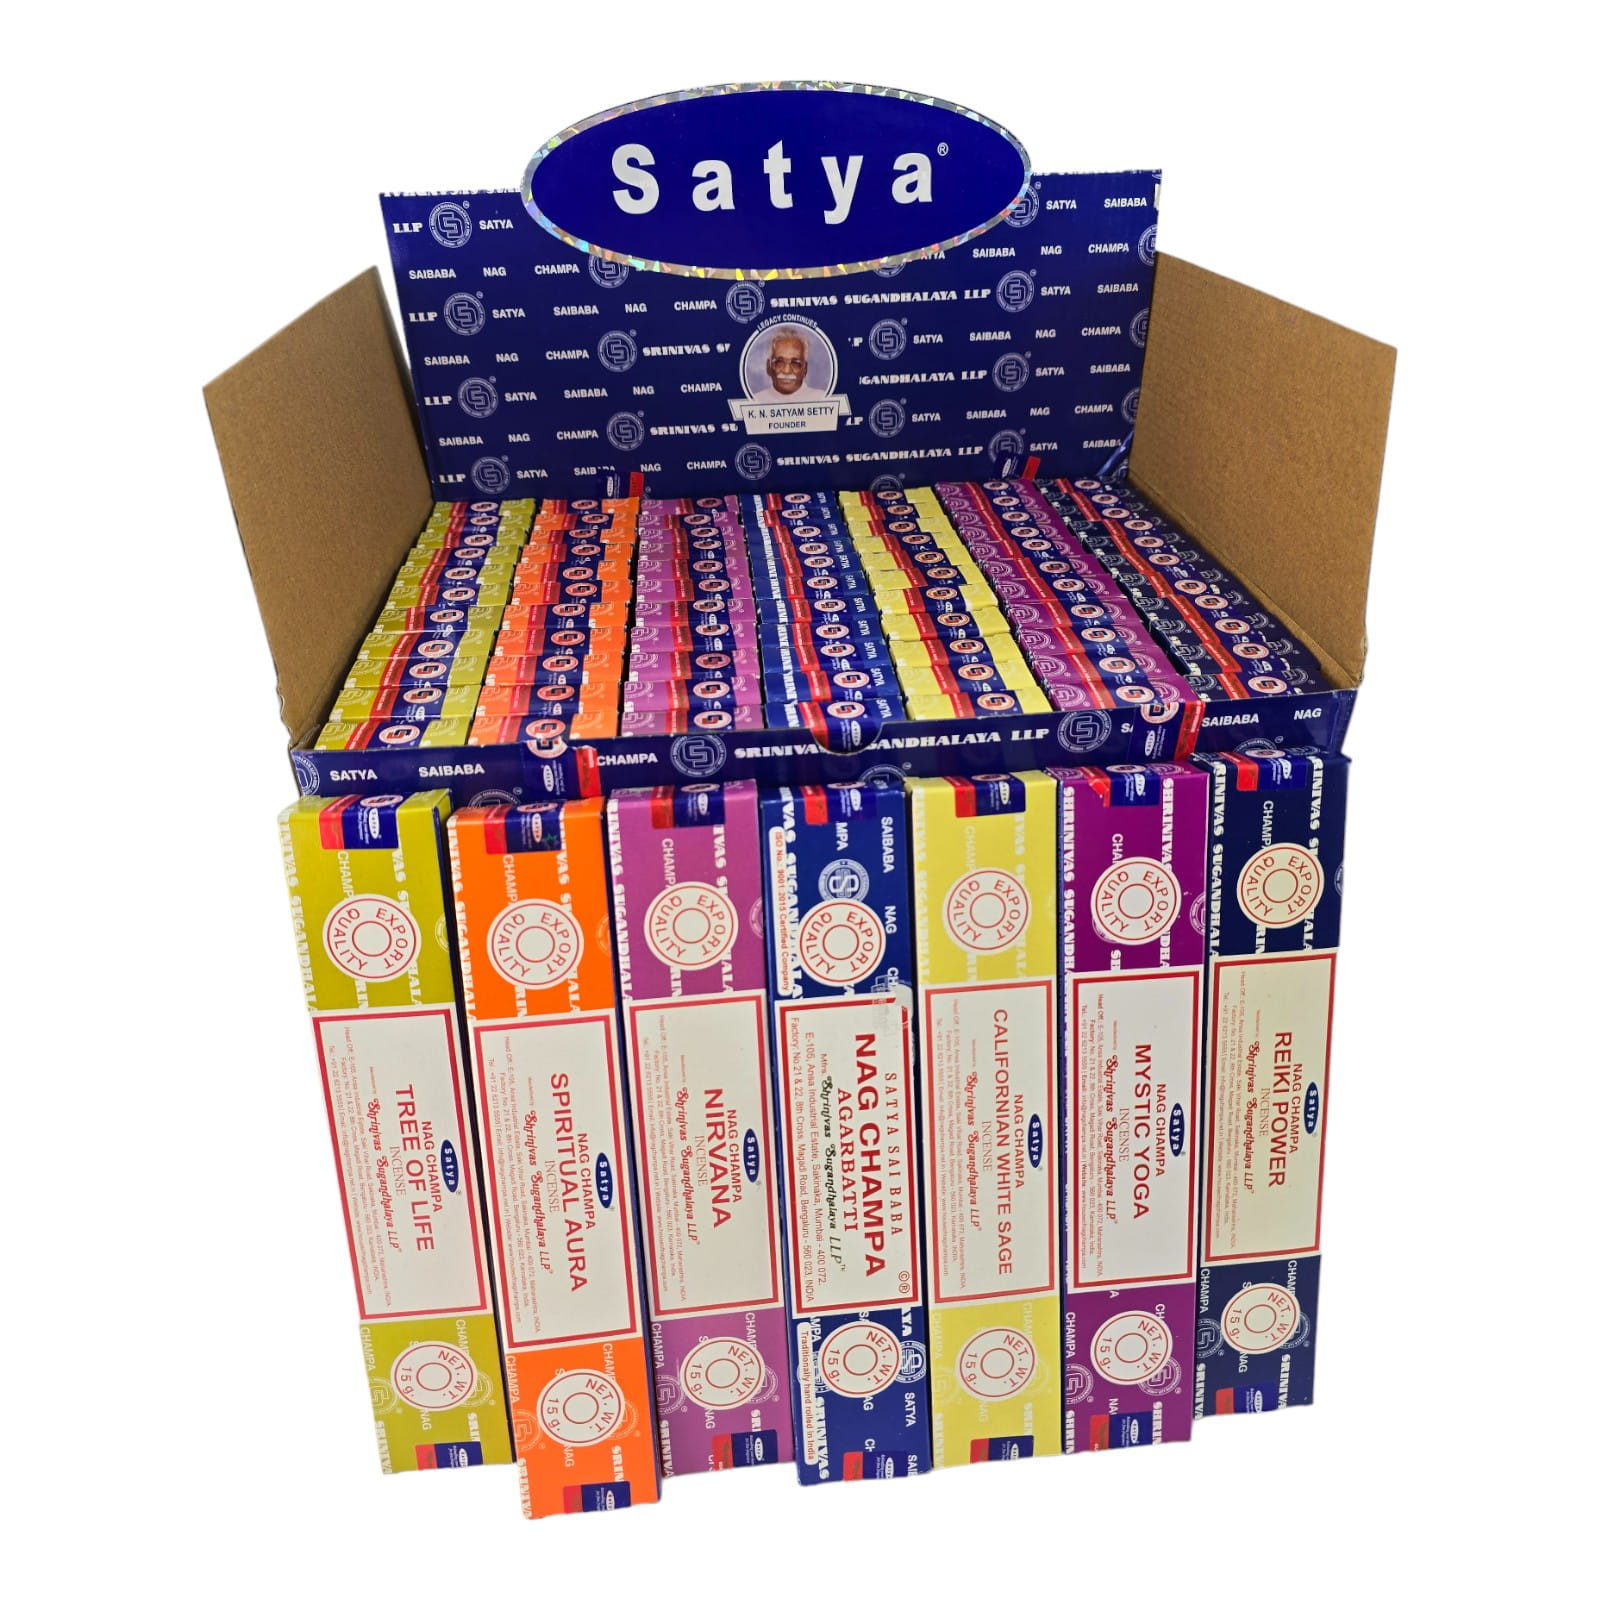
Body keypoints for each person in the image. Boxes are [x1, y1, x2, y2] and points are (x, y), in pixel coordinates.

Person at [750, 327, 830, 402]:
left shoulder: (822, 399)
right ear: (769, 367)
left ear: (805, 369)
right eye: (779, 362)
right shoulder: (755, 400)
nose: (786, 371)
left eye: (795, 363)